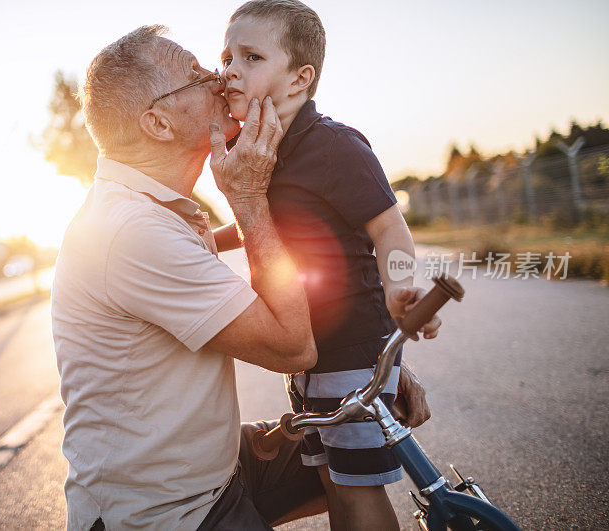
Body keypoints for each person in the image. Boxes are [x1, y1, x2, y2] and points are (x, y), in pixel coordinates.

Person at [51, 25, 436, 530]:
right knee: (349, 461)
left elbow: (357, 249)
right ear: (159, 123)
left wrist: (372, 368)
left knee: (358, 438)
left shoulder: (162, 210)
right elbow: (292, 347)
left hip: (219, 463)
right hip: (166, 511)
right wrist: (249, 199)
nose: (221, 77)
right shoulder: (131, 231)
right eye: (198, 75)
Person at [215, 1, 438, 529]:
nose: (229, 70)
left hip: (352, 344)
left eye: (250, 57)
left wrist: (398, 290)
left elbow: (389, 228)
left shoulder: (334, 146)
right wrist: (212, 238)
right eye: (226, 56)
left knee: (355, 489)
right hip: (309, 350)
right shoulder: (255, 148)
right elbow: (269, 220)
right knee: (329, 482)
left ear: (299, 79)